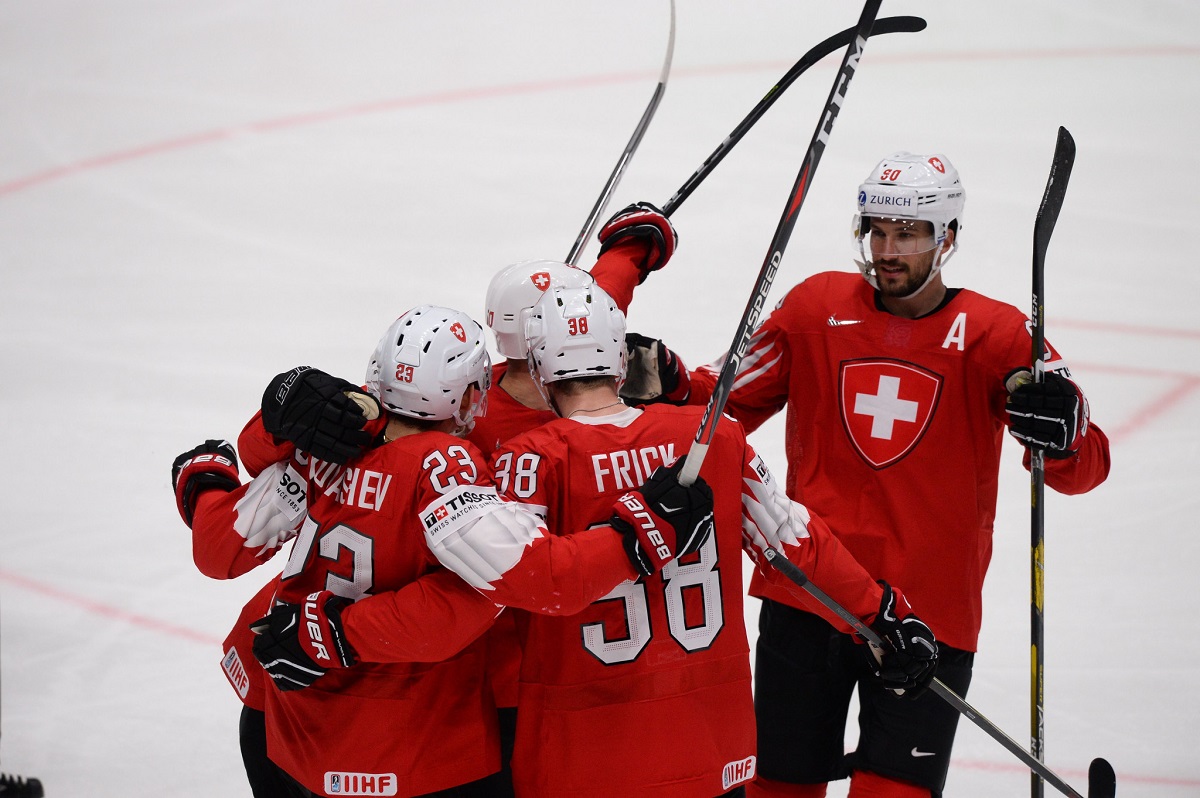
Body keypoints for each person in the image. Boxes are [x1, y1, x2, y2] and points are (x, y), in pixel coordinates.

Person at [286, 282, 938, 798]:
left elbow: (508, 582)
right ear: (623, 361)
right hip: (713, 751)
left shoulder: (530, 459)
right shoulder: (711, 440)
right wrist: (883, 613)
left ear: (538, 374)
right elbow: (795, 546)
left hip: (581, 760)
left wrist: (344, 625)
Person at [621, 152, 1112, 797]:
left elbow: (1086, 470)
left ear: (948, 238)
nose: (886, 249)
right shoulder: (816, 307)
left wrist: (1066, 432)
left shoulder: (997, 335)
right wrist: (671, 381)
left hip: (928, 619)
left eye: (907, 234)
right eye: (876, 230)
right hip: (808, 591)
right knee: (776, 789)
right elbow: (723, 403)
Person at [171, 201, 677, 798]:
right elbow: (507, 586)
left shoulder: (390, 407)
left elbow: (230, 525)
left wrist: (225, 462)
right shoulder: (465, 443)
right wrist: (637, 540)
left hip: (290, 689)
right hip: (419, 717)